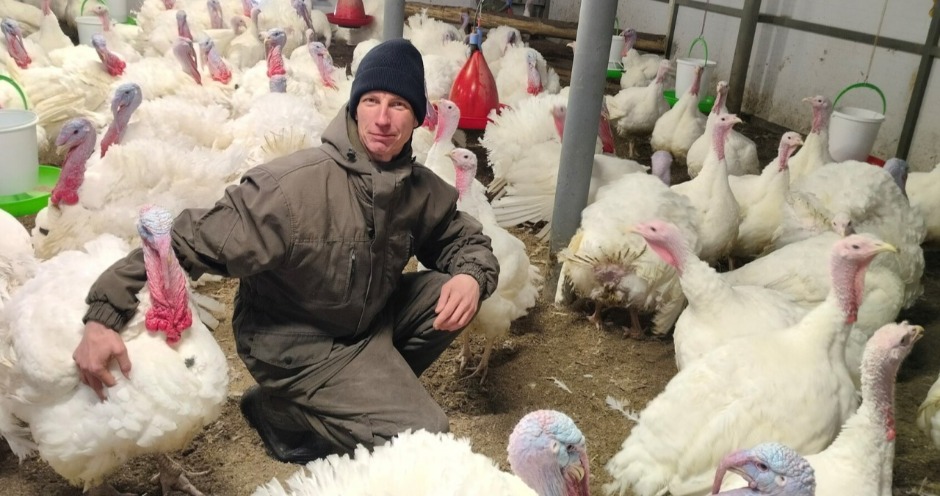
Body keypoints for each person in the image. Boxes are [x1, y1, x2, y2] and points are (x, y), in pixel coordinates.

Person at [72, 38, 499, 464]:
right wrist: (103, 315)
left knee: (449, 291)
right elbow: (183, 240)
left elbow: (464, 241)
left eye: (398, 105)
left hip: (364, 321)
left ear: (417, 118)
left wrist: (470, 277)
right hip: (295, 343)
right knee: (426, 433)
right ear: (354, 107)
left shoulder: (417, 188)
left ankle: (348, 398)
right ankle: (281, 410)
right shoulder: (291, 189)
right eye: (371, 101)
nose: (383, 118)